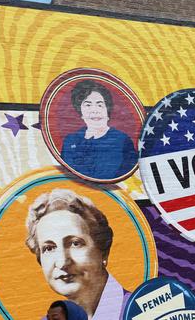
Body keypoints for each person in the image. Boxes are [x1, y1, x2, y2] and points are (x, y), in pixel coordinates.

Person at [26, 189, 128, 320]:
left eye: (75, 243)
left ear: (103, 252)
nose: (62, 262)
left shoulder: (140, 311)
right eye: (49, 248)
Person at [61, 80, 137, 180]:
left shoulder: (121, 140)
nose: (94, 110)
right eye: (88, 105)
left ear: (107, 109)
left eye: (100, 105)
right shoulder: (70, 140)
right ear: (80, 110)